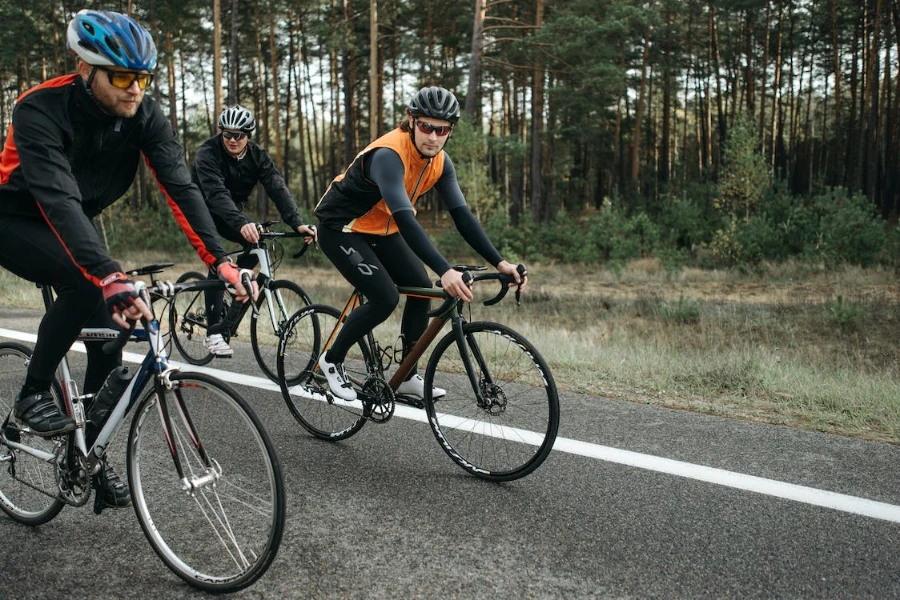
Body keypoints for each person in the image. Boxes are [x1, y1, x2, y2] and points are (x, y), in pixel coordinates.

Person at [0, 10, 256, 509]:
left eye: (142, 77)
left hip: (75, 222)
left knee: (113, 332)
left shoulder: (144, 116)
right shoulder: (38, 109)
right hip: (16, 218)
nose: (134, 89)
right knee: (85, 281)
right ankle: (32, 394)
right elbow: (57, 198)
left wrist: (222, 263)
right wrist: (108, 273)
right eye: (121, 76)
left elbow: (181, 189)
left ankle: (87, 457)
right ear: (84, 68)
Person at [314, 86, 526, 401]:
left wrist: (500, 262)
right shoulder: (389, 155)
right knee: (384, 296)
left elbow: (463, 218)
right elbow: (405, 218)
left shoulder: (441, 162)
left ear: (450, 131)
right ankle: (331, 361)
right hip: (341, 229)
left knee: (418, 287)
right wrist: (445, 269)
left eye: (442, 130)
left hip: (380, 229)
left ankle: (407, 373)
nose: (433, 136)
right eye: (426, 126)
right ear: (411, 121)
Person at [191, 105, 317, 357]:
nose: (232, 140)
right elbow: (216, 194)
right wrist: (241, 223)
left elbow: (276, 187)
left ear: (248, 134)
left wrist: (297, 222)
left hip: (231, 212)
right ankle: (213, 332)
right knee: (218, 259)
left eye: (239, 135)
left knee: (256, 242)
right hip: (201, 209)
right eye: (227, 134)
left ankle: (235, 282)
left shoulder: (257, 155)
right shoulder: (207, 153)